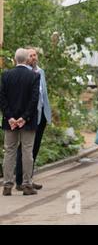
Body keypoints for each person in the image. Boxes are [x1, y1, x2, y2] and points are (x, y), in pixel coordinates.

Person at [1, 48, 40, 196]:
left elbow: (2, 98)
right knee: (27, 151)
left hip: (9, 121)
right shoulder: (33, 76)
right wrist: (24, 117)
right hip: (27, 122)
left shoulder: (6, 75)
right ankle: (27, 185)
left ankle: (7, 185)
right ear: (27, 59)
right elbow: (34, 99)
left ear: (15, 59)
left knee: (9, 151)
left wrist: (10, 117)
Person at [15, 47, 52, 192]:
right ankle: (19, 181)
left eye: (35, 55)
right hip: (28, 116)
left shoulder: (40, 71)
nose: (34, 57)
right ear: (25, 58)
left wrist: (47, 114)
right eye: (31, 55)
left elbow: (44, 95)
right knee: (23, 149)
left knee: (34, 149)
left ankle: (28, 179)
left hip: (41, 115)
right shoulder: (23, 73)